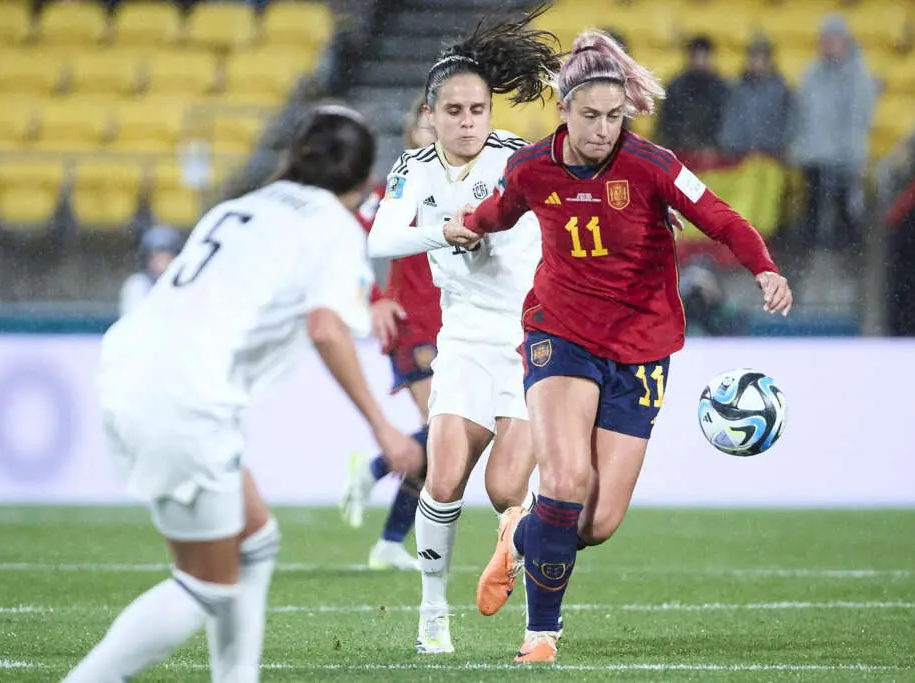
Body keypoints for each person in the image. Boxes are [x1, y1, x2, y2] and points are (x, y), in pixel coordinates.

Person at [445, 30, 793, 662]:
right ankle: (541, 635)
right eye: (591, 116)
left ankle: (520, 535)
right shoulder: (530, 167)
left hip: (641, 348)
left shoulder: (652, 165)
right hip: (560, 335)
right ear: (563, 109)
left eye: (614, 116)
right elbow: (499, 210)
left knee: (596, 522)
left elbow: (721, 216)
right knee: (568, 478)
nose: (604, 129)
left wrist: (763, 267)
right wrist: (465, 228)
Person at [63, 106, 423, 683]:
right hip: (183, 398)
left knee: (255, 540)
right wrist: (384, 428)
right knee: (203, 582)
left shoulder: (241, 206)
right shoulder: (331, 225)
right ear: (360, 181)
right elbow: (326, 327)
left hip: (134, 367)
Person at [366, 5, 559, 654]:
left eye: (478, 109)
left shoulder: (520, 161)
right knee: (443, 477)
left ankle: (516, 539)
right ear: (432, 113)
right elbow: (384, 236)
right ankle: (431, 615)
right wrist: (442, 230)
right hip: (465, 342)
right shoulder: (413, 170)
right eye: (454, 111)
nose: (468, 121)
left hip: (531, 341)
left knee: (506, 486)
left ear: (490, 112)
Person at [339, 95, 439, 572]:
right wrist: (375, 297)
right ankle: (377, 468)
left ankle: (387, 543)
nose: (434, 130)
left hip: (458, 324)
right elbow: (347, 236)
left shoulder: (469, 185)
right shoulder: (399, 186)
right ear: (410, 134)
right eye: (424, 124)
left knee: (447, 443)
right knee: (444, 431)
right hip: (414, 325)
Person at [789, 14, 875, 252]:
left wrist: (851, 156)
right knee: (812, 212)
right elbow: (802, 115)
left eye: (832, 39)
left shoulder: (858, 76)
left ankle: (849, 262)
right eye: (824, 39)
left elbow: (857, 121)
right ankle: (809, 261)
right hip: (814, 157)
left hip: (844, 159)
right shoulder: (811, 75)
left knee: (845, 217)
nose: (827, 45)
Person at [655, 35, 729, 164]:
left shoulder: (721, 88)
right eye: (697, 56)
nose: (700, 61)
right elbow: (666, 124)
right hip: (681, 154)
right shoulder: (676, 87)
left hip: (713, 158)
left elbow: (726, 123)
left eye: (704, 56)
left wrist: (713, 146)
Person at [719, 34, 792, 160]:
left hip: (772, 158)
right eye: (754, 57)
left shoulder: (781, 90)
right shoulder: (737, 89)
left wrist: (773, 148)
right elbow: (731, 122)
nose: (757, 63)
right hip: (742, 158)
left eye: (762, 58)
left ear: (770, 60)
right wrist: (735, 148)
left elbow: (787, 124)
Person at [118, 225, 183, 316]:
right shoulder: (138, 284)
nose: (162, 264)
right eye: (157, 257)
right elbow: (137, 320)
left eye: (167, 258)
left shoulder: (183, 284)